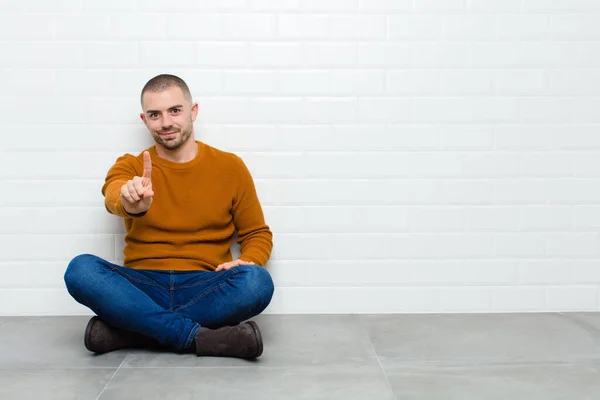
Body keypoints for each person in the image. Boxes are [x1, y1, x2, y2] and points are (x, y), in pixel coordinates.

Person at [64, 74, 274, 359]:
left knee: (256, 282)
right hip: (141, 286)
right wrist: (129, 201)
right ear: (144, 119)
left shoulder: (231, 167)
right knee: (80, 270)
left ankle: (133, 330)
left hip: (204, 284)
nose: (165, 123)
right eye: (155, 114)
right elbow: (114, 193)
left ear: (193, 111)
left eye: (175, 110)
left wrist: (247, 260)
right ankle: (198, 338)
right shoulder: (132, 165)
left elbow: (257, 233)